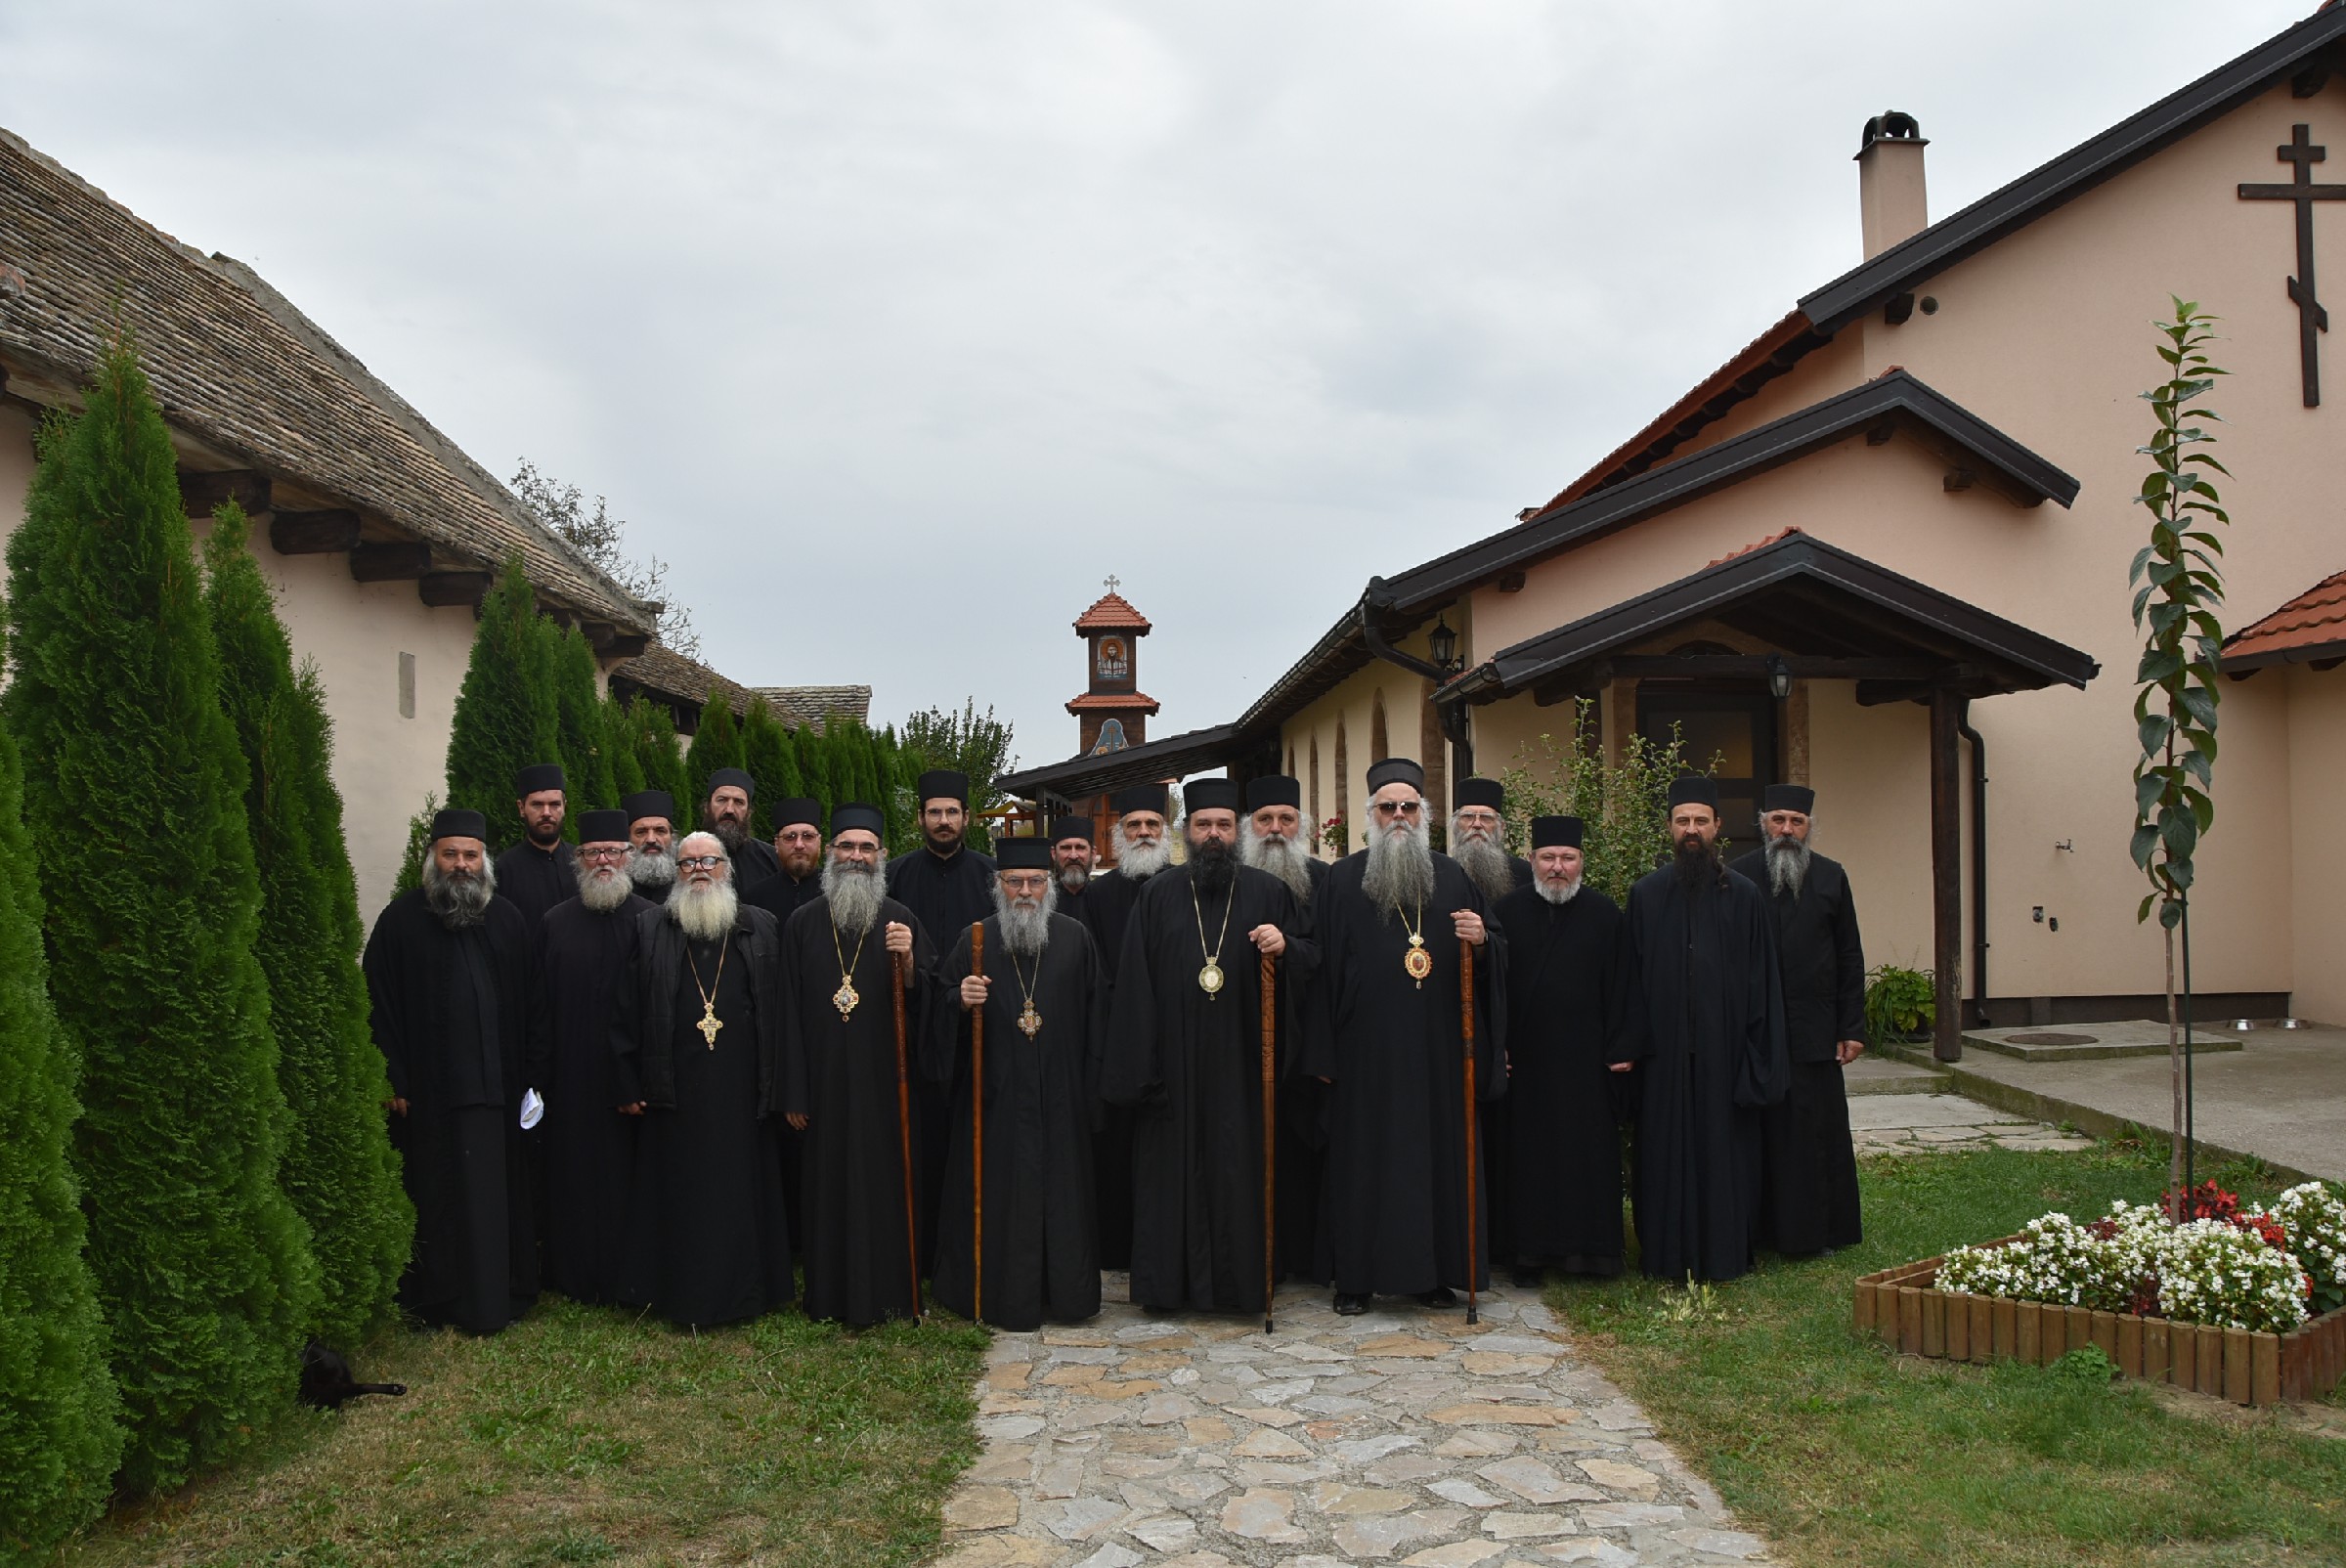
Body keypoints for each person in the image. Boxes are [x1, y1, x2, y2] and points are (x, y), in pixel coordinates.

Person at [1304, 758, 1504, 1316]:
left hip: (1438, 1052)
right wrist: (1323, 1054)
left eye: (1408, 807)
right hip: (1362, 1055)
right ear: (1370, 815)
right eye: (1387, 807)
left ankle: (1431, 1275)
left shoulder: (1454, 876)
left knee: (1433, 1162)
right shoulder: (1342, 880)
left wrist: (1482, 941)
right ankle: (1355, 1279)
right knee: (1362, 1163)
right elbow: (1318, 968)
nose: (1398, 816)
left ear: (1424, 815)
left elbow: (1494, 953)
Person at [1101, 778, 1303, 1315]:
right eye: (1203, 825)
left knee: (1240, 1171)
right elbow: (1135, 985)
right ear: (1186, 832)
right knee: (1171, 1175)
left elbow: (1310, 967)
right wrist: (1142, 1070)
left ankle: (1242, 1286)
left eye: (1223, 825)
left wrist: (1286, 949)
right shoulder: (1157, 895)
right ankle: (1166, 1287)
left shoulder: (1269, 892)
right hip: (1173, 1069)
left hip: (1244, 1065)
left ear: (1238, 831)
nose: (1214, 834)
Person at [363, 808, 538, 1334]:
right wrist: (392, 1077)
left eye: (471, 855)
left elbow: (533, 1006)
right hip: (429, 1097)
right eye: (451, 855)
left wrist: (533, 1078)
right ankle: (439, 1301)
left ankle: (500, 1296)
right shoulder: (399, 922)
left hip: (498, 1094)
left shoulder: (508, 920)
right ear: (432, 859)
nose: (461, 865)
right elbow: (377, 1005)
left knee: (495, 1200)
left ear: (485, 861)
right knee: (438, 1199)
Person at [610, 832, 794, 1327]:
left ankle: (746, 1294)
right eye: (688, 862)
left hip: (742, 1089)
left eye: (709, 860)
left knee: (739, 1192)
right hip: (674, 1090)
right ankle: (682, 1295)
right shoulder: (650, 927)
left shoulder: (760, 926)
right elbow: (626, 1010)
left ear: (727, 869)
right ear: (676, 872)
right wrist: (627, 1081)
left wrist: (782, 1085)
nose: (698, 870)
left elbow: (780, 1011)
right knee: (681, 1194)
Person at [927, 837, 1107, 1328]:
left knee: (1062, 1197)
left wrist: (1091, 1095)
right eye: (1014, 882)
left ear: (1049, 885)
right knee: (1000, 1194)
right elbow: (938, 1014)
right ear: (998, 885)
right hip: (995, 1100)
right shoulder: (975, 940)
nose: (1025, 891)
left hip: (1061, 1099)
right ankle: (999, 1294)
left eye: (1035, 881)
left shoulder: (1074, 938)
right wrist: (959, 1000)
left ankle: (1066, 1295)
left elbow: (1098, 1020)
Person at [1626, 777, 1789, 1284]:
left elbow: (1763, 983)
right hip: (1663, 1059)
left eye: (1700, 821)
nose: (1691, 830)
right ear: (1669, 828)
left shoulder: (1745, 896)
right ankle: (1664, 1256)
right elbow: (1630, 981)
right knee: (1663, 1156)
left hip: (1726, 1055)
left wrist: (1758, 1057)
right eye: (1682, 821)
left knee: (1726, 1157)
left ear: (1718, 826)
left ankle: (1725, 1253)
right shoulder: (1646, 895)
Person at [785, 804, 934, 1327]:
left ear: (882, 855)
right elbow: (787, 1013)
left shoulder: (901, 919)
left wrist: (910, 963)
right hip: (823, 1086)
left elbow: (929, 1004)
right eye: (846, 846)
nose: (856, 856)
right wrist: (794, 1091)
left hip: (885, 1085)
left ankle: (892, 1292)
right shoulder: (803, 923)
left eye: (866, 847)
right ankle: (828, 1295)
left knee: (886, 1186)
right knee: (827, 1188)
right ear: (831, 853)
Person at [1491, 816, 1638, 1285]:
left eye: (1568, 858)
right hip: (1526, 1063)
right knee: (1528, 1161)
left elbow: (1625, 985)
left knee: (1586, 1158)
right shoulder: (1506, 911)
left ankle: (1589, 1255)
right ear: (1532, 860)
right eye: (1549, 857)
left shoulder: (1605, 914)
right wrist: (1497, 1046)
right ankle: (1528, 1256)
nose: (1558, 867)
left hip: (1587, 1064)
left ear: (1581, 862)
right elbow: (1490, 988)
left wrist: (1623, 1047)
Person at [1728, 785, 1865, 1257]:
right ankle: (1759, 1230)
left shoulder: (1832, 876)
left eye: (1797, 822)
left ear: (1809, 827)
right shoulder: (1738, 877)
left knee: (1813, 1133)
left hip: (1815, 1029)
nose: (1787, 830)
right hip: (1755, 1029)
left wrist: (1851, 1027)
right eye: (1778, 820)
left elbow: (1849, 955)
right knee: (1759, 1132)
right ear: (1763, 823)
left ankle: (1816, 1232)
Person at [528, 809, 653, 1303]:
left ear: (628, 857)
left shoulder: (650, 920)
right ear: (578, 859)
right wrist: (540, 1078)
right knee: (574, 1177)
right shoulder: (554, 923)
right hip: (572, 1078)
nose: (604, 860)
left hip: (633, 1085)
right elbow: (539, 1007)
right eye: (593, 852)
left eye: (613, 852)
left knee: (630, 1178)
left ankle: (630, 1274)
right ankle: (573, 1275)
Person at [1239, 772, 1328, 1278]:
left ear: (1302, 825)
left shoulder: (1326, 880)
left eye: (1286, 819)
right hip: (1243, 1041)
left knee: (1303, 1152)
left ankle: (1303, 1258)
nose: (1275, 828)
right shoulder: (1231, 880)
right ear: (1250, 826)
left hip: (1307, 1039)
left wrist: (1288, 947)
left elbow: (1333, 956)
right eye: (1265, 819)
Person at [1082, 783, 1173, 1270]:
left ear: (1165, 831)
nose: (1143, 832)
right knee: (1117, 1148)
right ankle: (1119, 1249)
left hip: (1175, 1038)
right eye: (1134, 825)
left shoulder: (1183, 886)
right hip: (1117, 1038)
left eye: (1152, 824)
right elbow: (1092, 970)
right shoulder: (1098, 894)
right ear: (1119, 834)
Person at [495, 763, 578, 926]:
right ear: (521, 808)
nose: (546, 813)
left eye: (554, 804)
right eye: (537, 805)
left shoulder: (581, 862)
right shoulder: (503, 869)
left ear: (564, 807)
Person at [1449, 777, 1530, 905]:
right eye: (1468, 816)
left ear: (1501, 827)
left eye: (1486, 817)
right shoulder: (1442, 872)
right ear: (1456, 826)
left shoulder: (1524, 874)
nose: (1476, 824)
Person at [745, 797, 826, 924]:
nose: (799, 845)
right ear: (777, 844)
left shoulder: (835, 893)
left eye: (808, 836)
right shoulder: (755, 897)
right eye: (790, 837)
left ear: (819, 842)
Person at [703, 767, 782, 893]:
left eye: (738, 802)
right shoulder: (686, 856)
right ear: (707, 807)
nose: (729, 809)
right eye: (721, 800)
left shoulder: (771, 859)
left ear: (749, 812)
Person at [624, 790, 678, 906]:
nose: (651, 839)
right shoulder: (618, 892)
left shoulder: (685, 886)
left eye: (660, 831)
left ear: (672, 837)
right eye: (641, 832)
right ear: (628, 840)